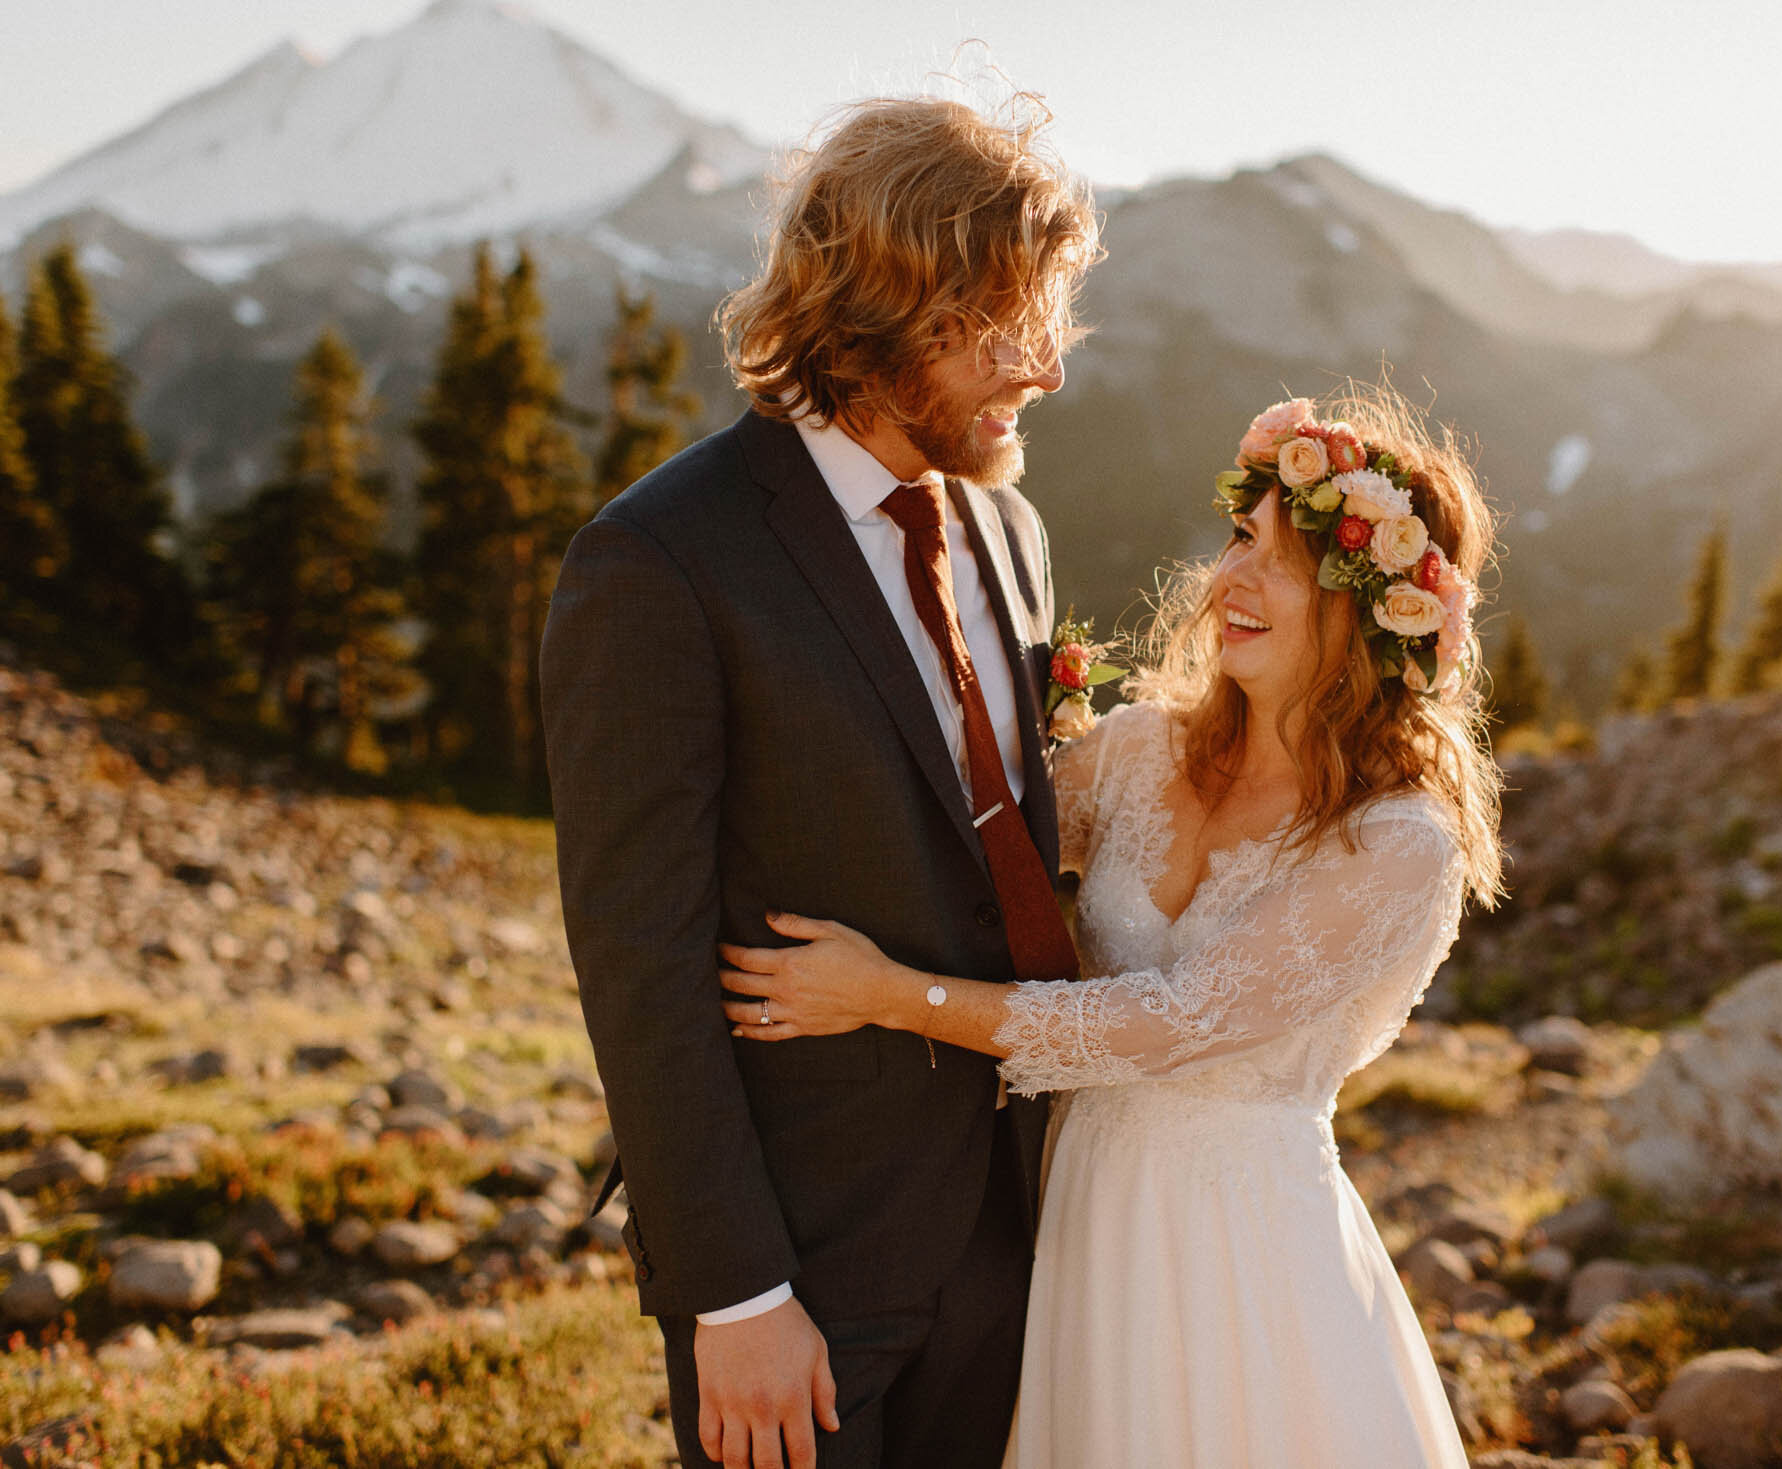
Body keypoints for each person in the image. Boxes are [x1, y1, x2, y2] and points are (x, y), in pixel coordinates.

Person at [720, 390, 1504, 1467]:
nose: (1231, 577)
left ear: (1375, 611)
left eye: (1287, 560)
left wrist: (882, 991)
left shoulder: (1399, 846)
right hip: (1076, 1217)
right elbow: (966, 846)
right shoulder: (1141, 750)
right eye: (1240, 536)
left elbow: (1168, 1019)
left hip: (1241, 1257)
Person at [540, 92, 1099, 1469]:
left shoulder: (1013, 532)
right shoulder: (662, 562)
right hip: (805, 1268)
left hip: (1023, 1231)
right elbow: (640, 957)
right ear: (887, 312)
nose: (1046, 371)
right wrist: (733, 1291)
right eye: (1006, 324)